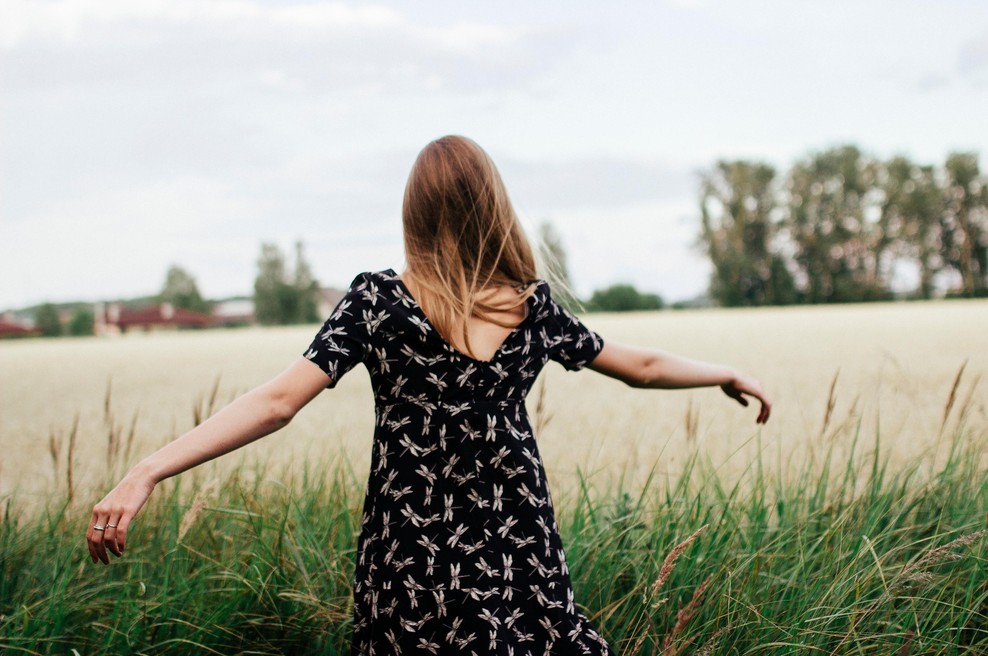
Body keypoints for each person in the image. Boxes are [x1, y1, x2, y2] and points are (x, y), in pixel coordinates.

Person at [86, 135, 771, 655]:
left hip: (408, 555)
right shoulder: (528, 309)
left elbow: (276, 402)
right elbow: (643, 365)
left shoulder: (378, 302)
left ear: (415, 213)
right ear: (494, 208)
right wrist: (723, 371)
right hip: (518, 550)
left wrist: (148, 468)